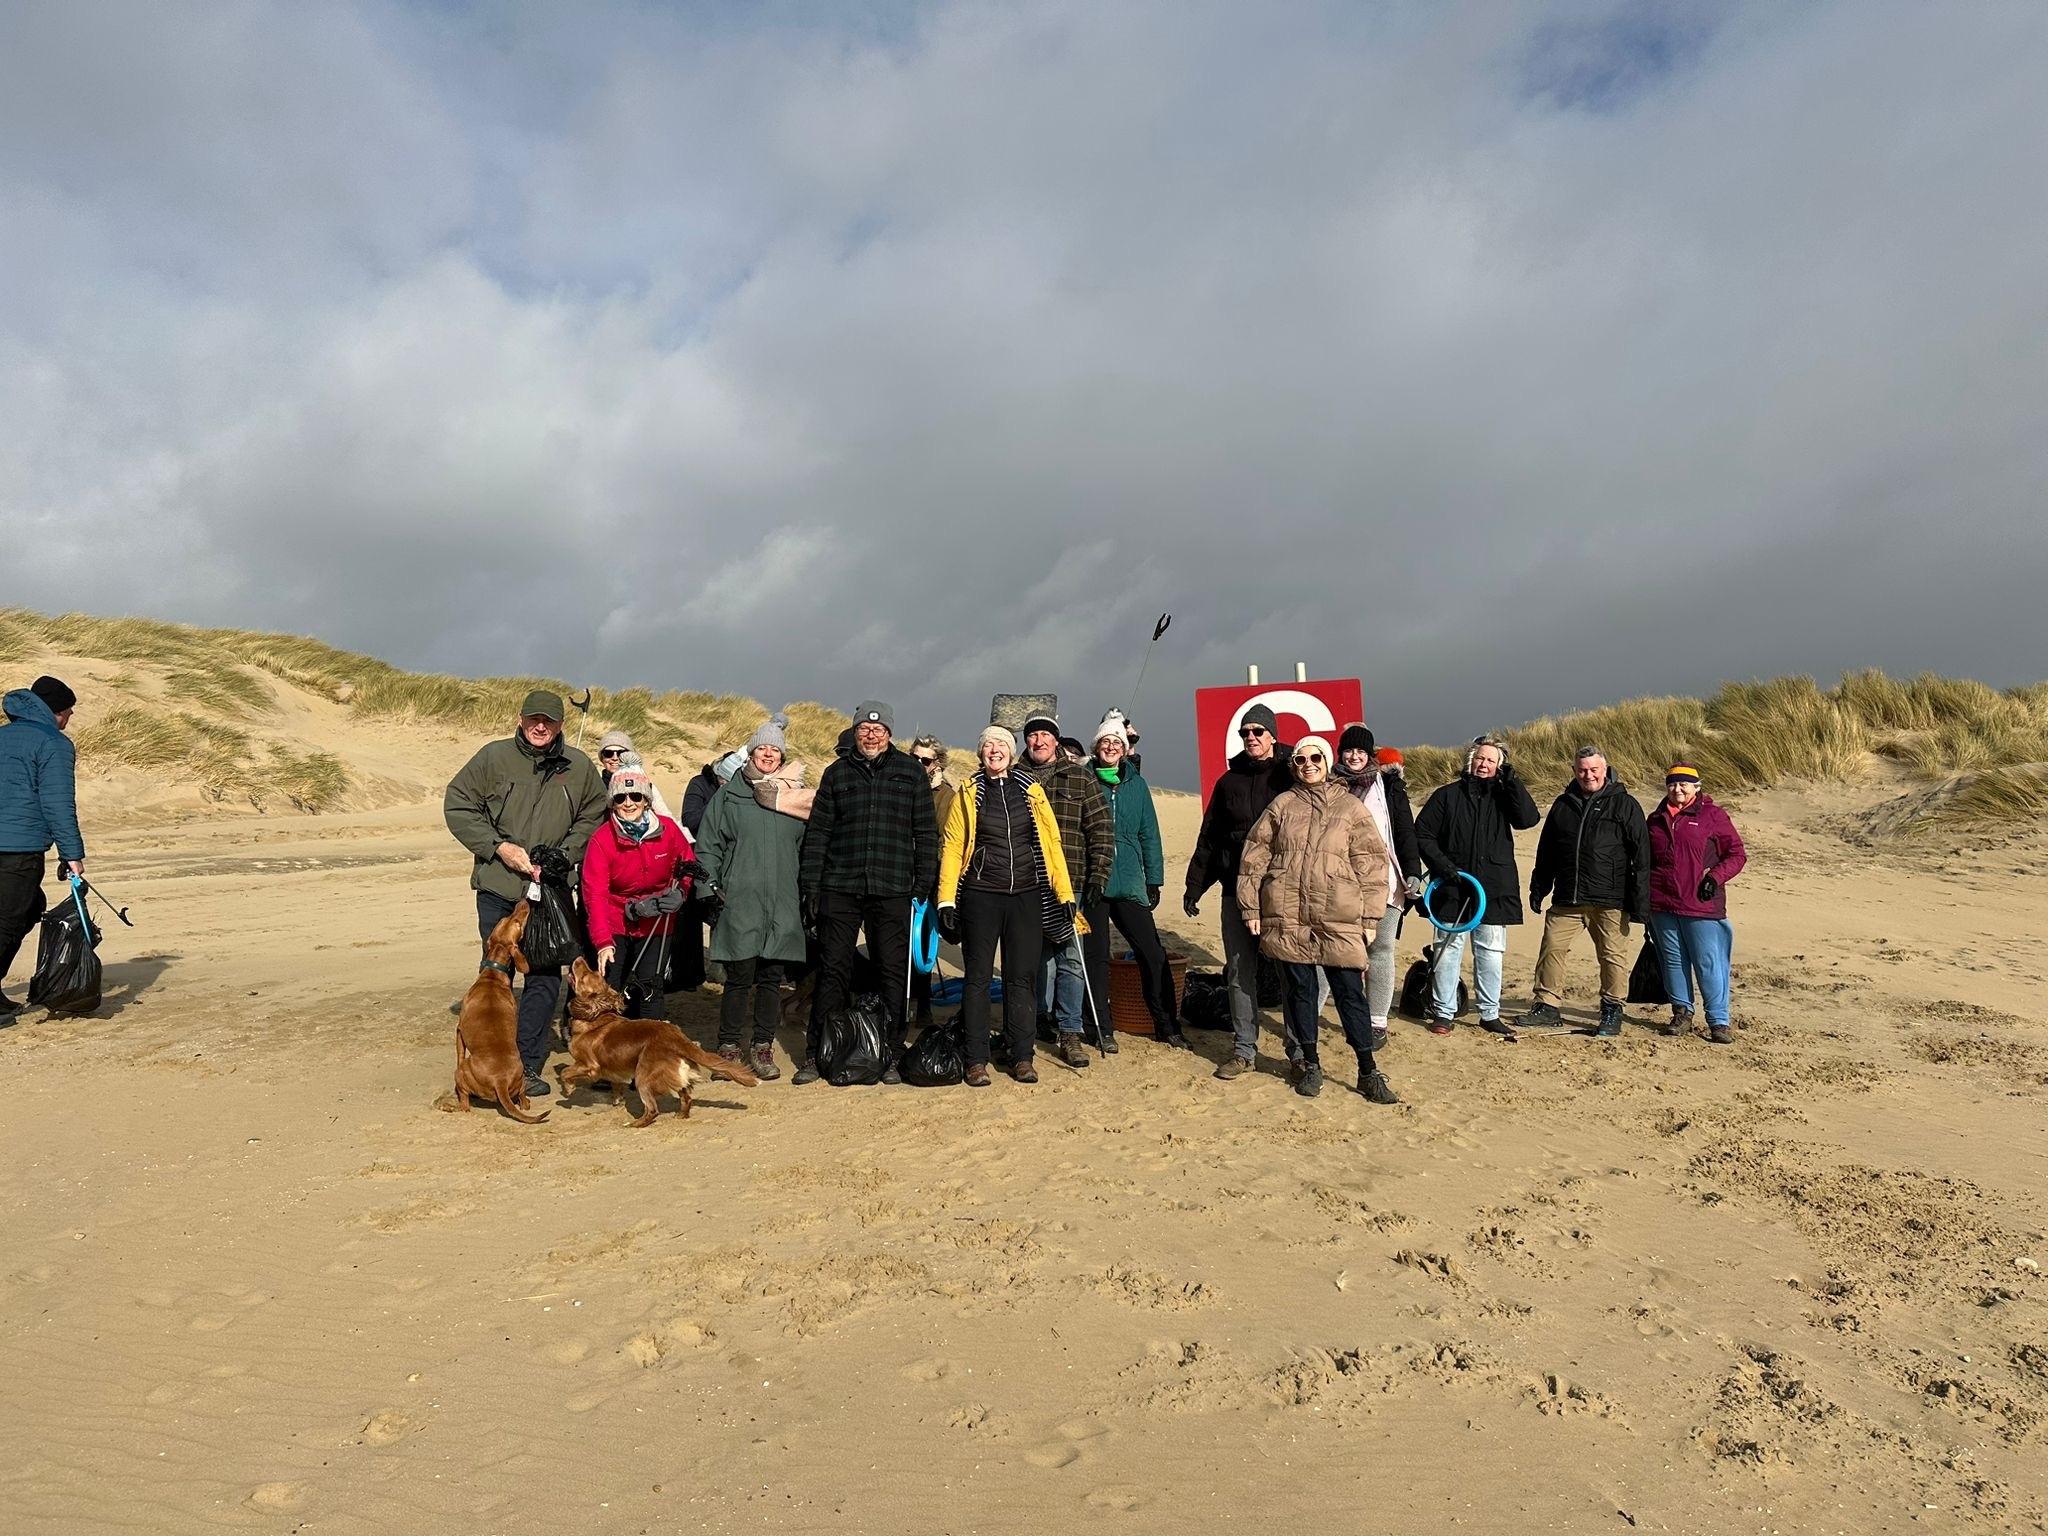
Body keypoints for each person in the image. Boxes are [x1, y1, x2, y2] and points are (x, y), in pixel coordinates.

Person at [444, 689, 607, 1095]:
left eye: (549, 721)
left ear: (560, 725)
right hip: (500, 884)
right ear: (520, 719)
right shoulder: (493, 757)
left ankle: (527, 1064)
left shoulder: (579, 765)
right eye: (534, 719)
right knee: (495, 976)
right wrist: (499, 847)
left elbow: (594, 815)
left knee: (544, 976)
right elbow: (458, 804)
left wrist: (565, 854)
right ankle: (489, 1059)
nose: (540, 726)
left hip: (549, 893)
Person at [1236, 736, 1399, 1103]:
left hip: (1338, 916)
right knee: (1301, 993)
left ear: (1326, 762)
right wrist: (1250, 907)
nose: (1308, 764)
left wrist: (1371, 917)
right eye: (1300, 760)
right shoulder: (1282, 805)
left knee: (1349, 994)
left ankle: (1368, 1071)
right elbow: (1254, 858)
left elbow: (1373, 864)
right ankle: (1310, 1063)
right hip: (1289, 914)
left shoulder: (1351, 809)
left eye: (1315, 758)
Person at [796, 700, 938, 1085]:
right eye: (864, 729)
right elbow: (818, 834)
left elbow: (926, 833)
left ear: (890, 734)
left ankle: (890, 1053)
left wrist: (923, 883)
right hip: (839, 886)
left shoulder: (911, 773)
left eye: (879, 729)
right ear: (855, 732)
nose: (871, 734)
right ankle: (818, 1052)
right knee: (832, 971)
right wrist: (811, 885)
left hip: (893, 888)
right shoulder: (836, 774)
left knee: (892, 972)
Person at [936, 726, 1077, 1086]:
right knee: (978, 978)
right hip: (981, 895)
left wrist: (1065, 893)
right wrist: (947, 898)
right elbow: (953, 847)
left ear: (1012, 753)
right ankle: (976, 1058)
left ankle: (1022, 1056)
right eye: (988, 745)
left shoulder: (1030, 790)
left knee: (1021, 979)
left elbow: (1051, 842)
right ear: (980, 752)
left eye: (1001, 744)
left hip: (1026, 896)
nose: (994, 750)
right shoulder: (968, 792)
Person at [694, 720, 811, 1078]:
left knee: (771, 979)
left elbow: (808, 852)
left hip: (782, 902)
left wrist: (808, 896)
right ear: (752, 752)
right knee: (739, 976)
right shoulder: (729, 796)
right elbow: (708, 846)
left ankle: (762, 1047)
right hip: (739, 899)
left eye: (775, 750)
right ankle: (728, 1047)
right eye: (763, 748)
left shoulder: (797, 798)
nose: (768, 755)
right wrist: (708, 889)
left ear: (782, 756)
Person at [1184, 703, 1295, 1079]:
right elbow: (1211, 838)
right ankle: (1244, 1049)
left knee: (1288, 971)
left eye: (1258, 732)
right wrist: (1195, 886)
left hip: (1281, 891)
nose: (1251, 738)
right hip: (1235, 890)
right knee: (1238, 971)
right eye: (1245, 733)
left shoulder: (1291, 775)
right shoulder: (1228, 782)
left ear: (1272, 736)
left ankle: (1298, 1052)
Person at [1413, 735, 1541, 1039]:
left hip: (1495, 887)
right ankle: (1444, 1011)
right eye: (1480, 758)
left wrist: (1511, 781)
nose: (1484, 764)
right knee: (1447, 948)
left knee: (1491, 952)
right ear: (1471, 760)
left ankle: (1489, 1013)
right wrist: (1444, 867)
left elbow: (1528, 818)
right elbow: (1423, 834)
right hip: (1452, 887)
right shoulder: (1447, 795)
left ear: (1499, 766)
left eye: (1491, 760)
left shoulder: (1505, 795)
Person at [1519, 746, 1652, 1037]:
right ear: (1574, 771)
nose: (1588, 775)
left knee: (1612, 956)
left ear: (1605, 770)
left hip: (1610, 900)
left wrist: (1641, 903)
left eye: (1593, 769)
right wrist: (1539, 888)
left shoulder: (1625, 805)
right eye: (1582, 770)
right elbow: (1547, 852)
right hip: (1568, 897)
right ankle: (1547, 1007)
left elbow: (1642, 857)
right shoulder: (1563, 804)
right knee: (1551, 949)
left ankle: (1612, 1009)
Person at [1079, 716, 1186, 1060]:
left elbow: (1148, 834)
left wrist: (1154, 878)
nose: (1110, 748)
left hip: (1129, 880)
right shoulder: (1083, 780)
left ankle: (1166, 1024)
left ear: (1124, 750)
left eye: (1116, 744)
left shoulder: (1136, 785)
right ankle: (1100, 1028)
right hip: (1092, 881)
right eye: (1104, 743)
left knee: (1152, 953)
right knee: (1094, 957)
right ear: (1096, 747)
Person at [1014, 710, 1113, 1058]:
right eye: (1032, 735)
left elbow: (1100, 829)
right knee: (1035, 957)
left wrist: (1099, 876)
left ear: (1056, 740)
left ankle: (1070, 1030)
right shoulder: (1014, 778)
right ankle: (1039, 1018)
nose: (1038, 741)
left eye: (1045, 735)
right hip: (1025, 884)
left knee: (1071, 957)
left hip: (1072, 883)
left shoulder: (1079, 778)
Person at [579, 766, 698, 1020]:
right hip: (616, 920)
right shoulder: (601, 840)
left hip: (657, 921)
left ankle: (649, 1050)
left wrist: (681, 892)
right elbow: (595, 895)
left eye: (636, 796)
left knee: (650, 987)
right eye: (621, 798)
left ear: (646, 800)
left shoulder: (668, 830)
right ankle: (611, 1049)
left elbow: (688, 865)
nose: (629, 803)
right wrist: (603, 942)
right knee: (612, 987)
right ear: (613, 803)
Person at [1332, 725, 1422, 1052]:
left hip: (1384, 884)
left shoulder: (1389, 788)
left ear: (1370, 755)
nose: (1354, 756)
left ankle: (1377, 1022)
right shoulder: (1330, 785)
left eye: (1361, 751)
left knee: (1381, 949)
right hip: (1339, 884)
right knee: (1339, 952)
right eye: (1348, 750)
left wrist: (1413, 872)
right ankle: (1347, 1013)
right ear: (1340, 752)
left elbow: (1404, 833)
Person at [0, 676, 86, 1016]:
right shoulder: (53, 743)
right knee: (8, 918)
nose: (69, 719)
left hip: (14, 842)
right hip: (17, 848)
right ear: (56, 712)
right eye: (68, 711)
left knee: (31, 905)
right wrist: (72, 855)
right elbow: (57, 803)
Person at [1647, 763, 1746, 1044]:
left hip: (1701, 904)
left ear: (1696, 787)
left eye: (1684, 785)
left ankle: (1718, 1020)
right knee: (1673, 961)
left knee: (1708, 962)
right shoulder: (1655, 819)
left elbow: (1737, 854)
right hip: (1662, 904)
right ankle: (1681, 1013)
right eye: (1672, 784)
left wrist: (1714, 878)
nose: (1677, 789)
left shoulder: (1713, 816)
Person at [908, 734, 954, 1029]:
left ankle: (922, 1007)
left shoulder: (945, 796)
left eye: (924, 760)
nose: (918, 764)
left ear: (936, 764)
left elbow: (946, 842)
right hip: (899, 874)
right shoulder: (901, 785)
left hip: (929, 878)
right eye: (913, 758)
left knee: (921, 946)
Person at [594, 730, 675, 820]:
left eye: (621, 753)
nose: (615, 758)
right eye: (608, 753)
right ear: (602, 758)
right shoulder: (595, 787)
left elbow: (666, 816)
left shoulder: (645, 785)